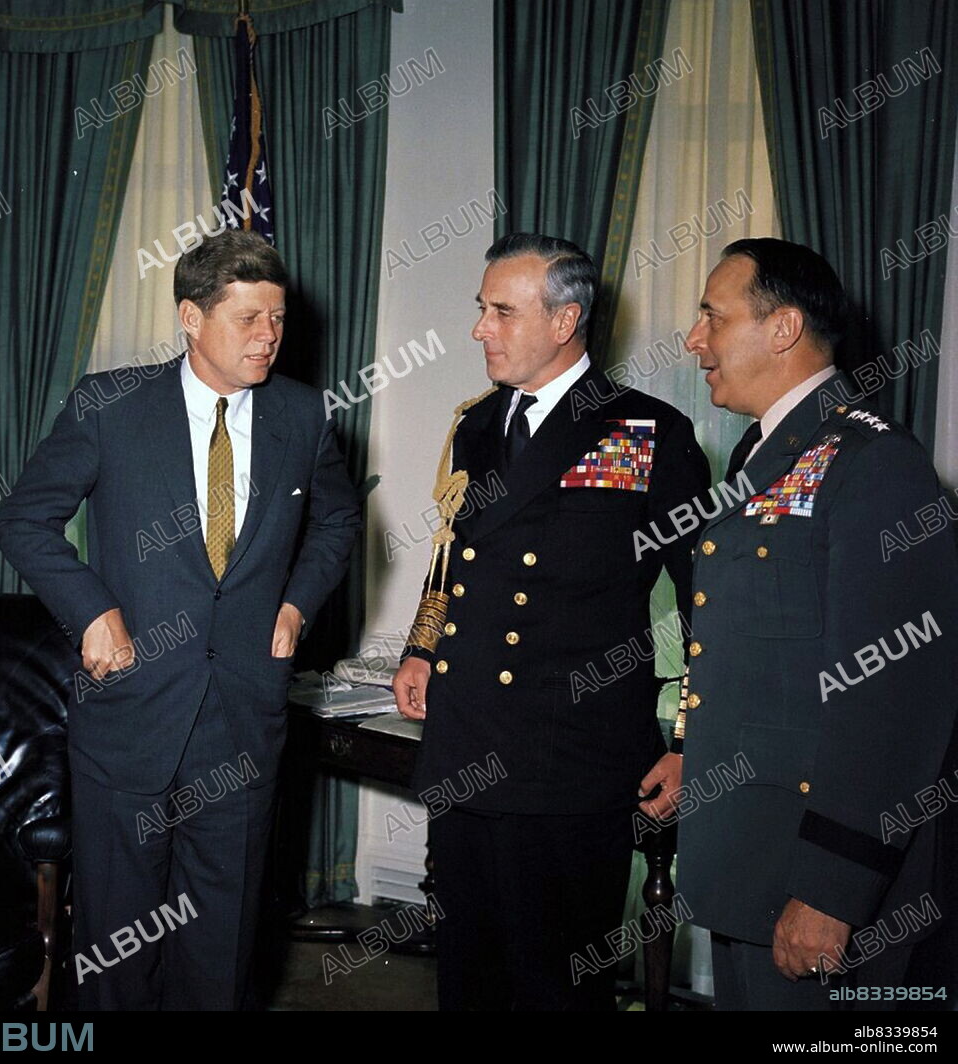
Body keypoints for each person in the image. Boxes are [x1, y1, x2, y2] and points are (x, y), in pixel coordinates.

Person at [0, 230, 361, 1010]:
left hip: (242, 720)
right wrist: (93, 611)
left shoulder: (302, 414)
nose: (269, 335)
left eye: (279, 318)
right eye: (248, 318)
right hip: (130, 715)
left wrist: (296, 606)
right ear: (191, 319)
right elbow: (24, 519)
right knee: (118, 949)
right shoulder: (110, 405)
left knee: (221, 943)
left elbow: (338, 522)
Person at [393, 232, 711, 1010]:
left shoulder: (646, 431)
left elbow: (710, 598)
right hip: (469, 744)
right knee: (469, 976)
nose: (479, 329)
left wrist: (688, 742)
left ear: (564, 321)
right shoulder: (476, 425)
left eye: (501, 312)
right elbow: (450, 553)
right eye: (482, 310)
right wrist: (421, 646)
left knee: (557, 985)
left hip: (571, 758)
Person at [676, 237, 958, 1010]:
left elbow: (894, 700)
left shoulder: (875, 465)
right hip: (747, 860)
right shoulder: (763, 458)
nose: (695, 340)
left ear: (783, 328)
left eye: (711, 316)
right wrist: (688, 756)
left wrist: (833, 889)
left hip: (812, 884)